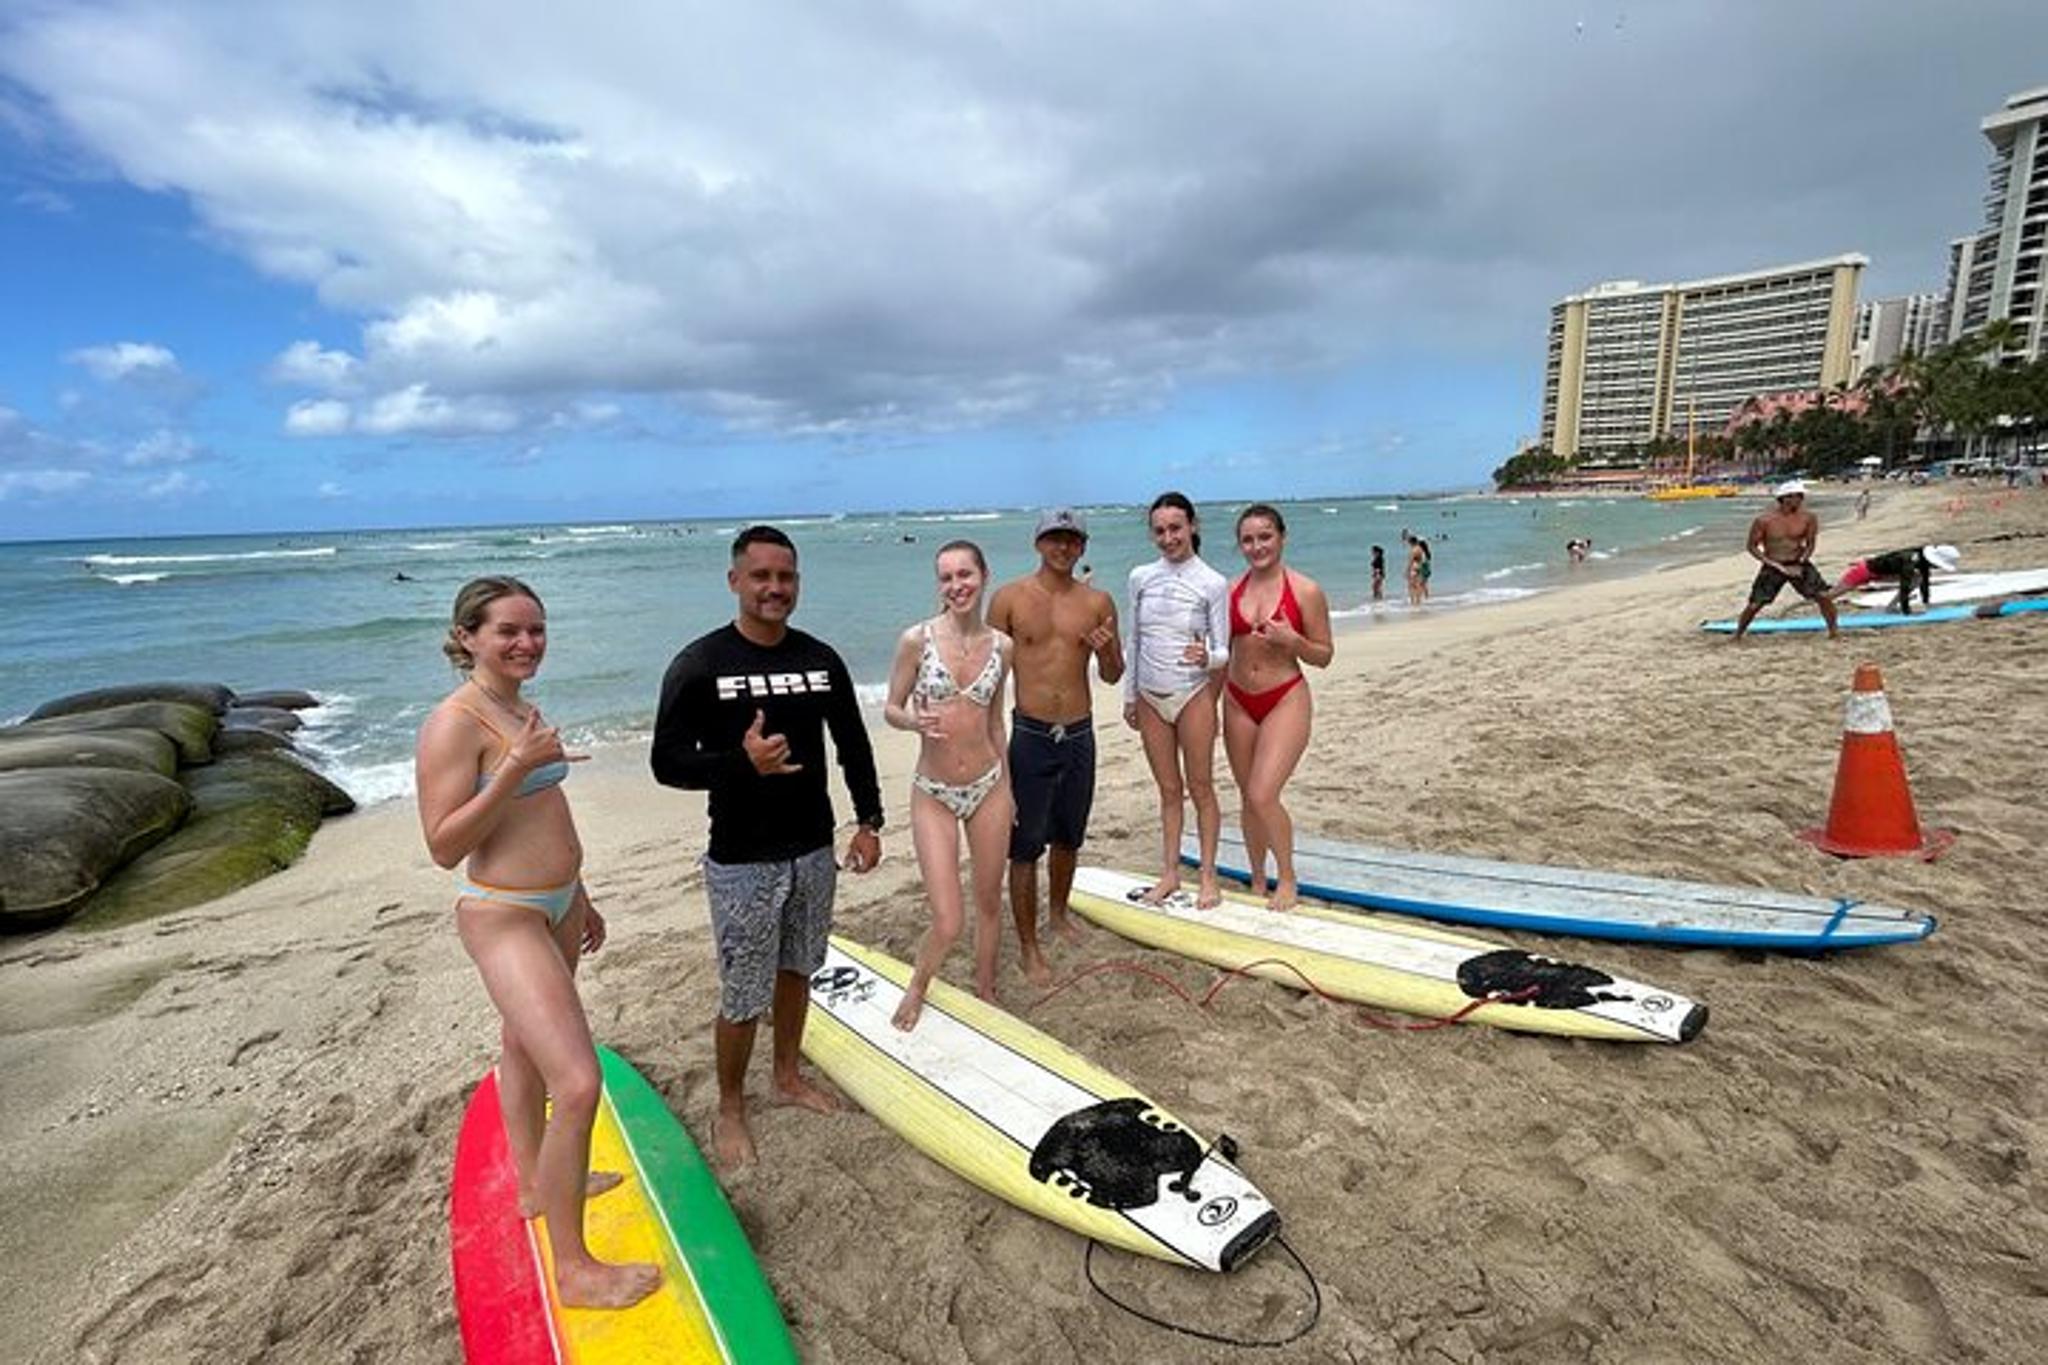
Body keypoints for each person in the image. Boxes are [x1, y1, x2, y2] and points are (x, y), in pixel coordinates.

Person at [416, 577, 660, 1309]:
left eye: (537, 630)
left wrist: (579, 894)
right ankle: (576, 1268)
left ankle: (534, 1180)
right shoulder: (453, 722)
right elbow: (442, 843)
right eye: (508, 632)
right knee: (579, 1082)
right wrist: (517, 766)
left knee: (522, 1047)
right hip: (505, 913)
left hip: (556, 905)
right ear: (467, 637)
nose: (527, 643)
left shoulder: (517, 705)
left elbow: (543, 809)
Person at [651, 526, 885, 1166]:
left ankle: (785, 1077)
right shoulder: (700, 664)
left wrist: (869, 820)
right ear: (735, 582)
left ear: (797, 584)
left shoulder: (821, 658)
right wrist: (739, 762)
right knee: (742, 991)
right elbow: (666, 761)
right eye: (761, 576)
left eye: (785, 577)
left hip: (812, 847)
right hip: (741, 857)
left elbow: (853, 744)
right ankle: (731, 1103)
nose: (774, 588)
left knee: (798, 968)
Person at [987, 508, 1124, 985]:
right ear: (1038, 542)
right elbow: (988, 677)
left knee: (1069, 835)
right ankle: (1028, 945)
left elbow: (1113, 674)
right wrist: (988, 744)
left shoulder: (1098, 601)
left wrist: (1105, 648)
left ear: (1082, 546)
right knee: (1024, 846)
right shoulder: (1008, 599)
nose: (1062, 547)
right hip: (1029, 735)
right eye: (1054, 538)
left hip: (1080, 733)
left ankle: (1059, 914)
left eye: (1071, 540)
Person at [881, 540, 1014, 1029]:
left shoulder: (1003, 646)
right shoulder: (916, 640)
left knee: (988, 898)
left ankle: (986, 988)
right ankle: (917, 987)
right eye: (946, 577)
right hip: (933, 791)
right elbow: (892, 708)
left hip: (990, 786)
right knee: (949, 919)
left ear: (983, 576)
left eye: (965, 575)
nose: (956, 585)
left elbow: (996, 723)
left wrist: (1010, 788)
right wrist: (913, 723)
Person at [1223, 505, 1334, 910]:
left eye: (1265, 537)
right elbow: (1221, 651)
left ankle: (1287, 876)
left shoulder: (1305, 590)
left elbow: (1324, 655)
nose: (1257, 546)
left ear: (1281, 538)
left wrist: (1294, 642)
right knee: (1247, 797)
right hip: (1236, 700)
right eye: (1248, 540)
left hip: (1284, 696)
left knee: (1263, 792)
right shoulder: (1230, 591)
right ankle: (1256, 878)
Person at [1122, 493, 1231, 908]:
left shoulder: (1212, 582)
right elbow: (1134, 639)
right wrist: (1130, 696)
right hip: (1150, 696)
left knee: (1200, 787)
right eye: (1160, 530)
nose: (1168, 538)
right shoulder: (1140, 577)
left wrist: (1209, 656)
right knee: (1168, 790)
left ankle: (1207, 875)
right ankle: (1169, 874)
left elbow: (1224, 651)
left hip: (1194, 694)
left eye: (1175, 528)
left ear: (1193, 527)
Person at [1732, 480, 1839, 641]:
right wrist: (1775, 565)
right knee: (1756, 604)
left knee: (1823, 596)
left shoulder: (1808, 517)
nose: (1801, 500)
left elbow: (1810, 544)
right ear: (1785, 498)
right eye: (1798, 497)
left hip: (1798, 562)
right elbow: (1752, 547)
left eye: (1801, 497)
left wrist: (1802, 561)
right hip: (1773, 564)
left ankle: (1834, 632)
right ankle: (1738, 634)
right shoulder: (1764, 520)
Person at [1829, 543, 1960, 615]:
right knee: (1832, 595)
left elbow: (1925, 581)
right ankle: (1815, 599)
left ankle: (1890, 608)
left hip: (1880, 574)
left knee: (1917, 579)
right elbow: (1905, 586)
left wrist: (1927, 603)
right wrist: (1906, 611)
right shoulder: (1910, 560)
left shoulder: (1922, 559)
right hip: (1863, 571)